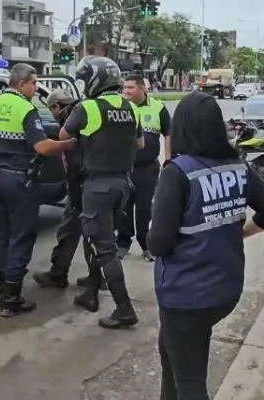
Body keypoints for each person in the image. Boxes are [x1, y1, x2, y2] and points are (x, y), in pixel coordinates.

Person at [148, 91, 264, 400]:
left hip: (185, 294)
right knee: (173, 357)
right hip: (224, 289)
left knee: (189, 382)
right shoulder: (237, 167)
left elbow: (158, 243)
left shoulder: (178, 171)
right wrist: (238, 231)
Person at [0, 64, 75, 318]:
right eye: (33, 83)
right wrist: (68, 144)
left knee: (0, 233)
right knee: (21, 236)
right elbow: (42, 147)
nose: (35, 88)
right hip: (19, 181)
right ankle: (12, 299)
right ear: (20, 84)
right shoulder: (25, 109)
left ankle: (2, 288)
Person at [60, 56, 143, 329]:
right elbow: (140, 143)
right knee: (96, 238)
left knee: (104, 247)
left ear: (96, 79)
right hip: (123, 184)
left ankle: (124, 308)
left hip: (98, 186)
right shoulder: (132, 108)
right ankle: (91, 293)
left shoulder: (88, 108)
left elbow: (63, 136)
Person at [32, 89, 85, 289]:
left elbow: (71, 146)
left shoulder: (72, 116)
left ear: (56, 106)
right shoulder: (84, 110)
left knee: (69, 229)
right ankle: (97, 278)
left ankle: (58, 274)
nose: (53, 116)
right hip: (93, 181)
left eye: (51, 110)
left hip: (80, 182)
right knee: (97, 234)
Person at [117, 74, 171, 262]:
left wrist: (169, 161)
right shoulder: (119, 107)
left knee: (144, 209)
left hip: (148, 169)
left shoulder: (158, 108)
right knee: (123, 207)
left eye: (130, 88)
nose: (126, 92)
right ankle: (122, 243)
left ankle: (145, 244)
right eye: (124, 88)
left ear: (142, 89)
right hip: (124, 168)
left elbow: (168, 134)